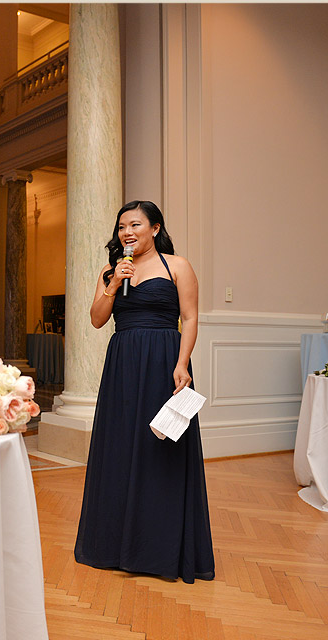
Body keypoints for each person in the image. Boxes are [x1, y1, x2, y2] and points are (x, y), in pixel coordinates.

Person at [74, 200, 215, 583]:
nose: (127, 233)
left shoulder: (177, 266)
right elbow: (97, 319)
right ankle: (115, 546)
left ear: (154, 228)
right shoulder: (111, 270)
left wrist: (182, 363)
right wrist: (113, 284)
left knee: (161, 451)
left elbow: (190, 317)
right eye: (122, 227)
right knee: (120, 446)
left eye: (135, 225)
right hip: (122, 364)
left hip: (164, 362)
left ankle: (158, 549)